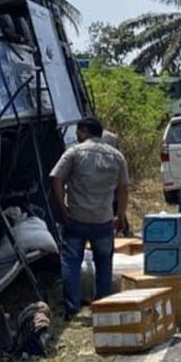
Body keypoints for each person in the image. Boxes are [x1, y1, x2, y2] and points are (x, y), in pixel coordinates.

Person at [49, 117, 130, 319]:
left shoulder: (74, 153)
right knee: (103, 264)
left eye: (78, 131)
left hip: (76, 218)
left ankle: (72, 309)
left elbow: (56, 178)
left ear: (85, 131)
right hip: (103, 220)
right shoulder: (117, 156)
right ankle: (102, 308)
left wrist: (63, 208)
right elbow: (123, 189)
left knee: (71, 262)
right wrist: (120, 216)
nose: (77, 135)